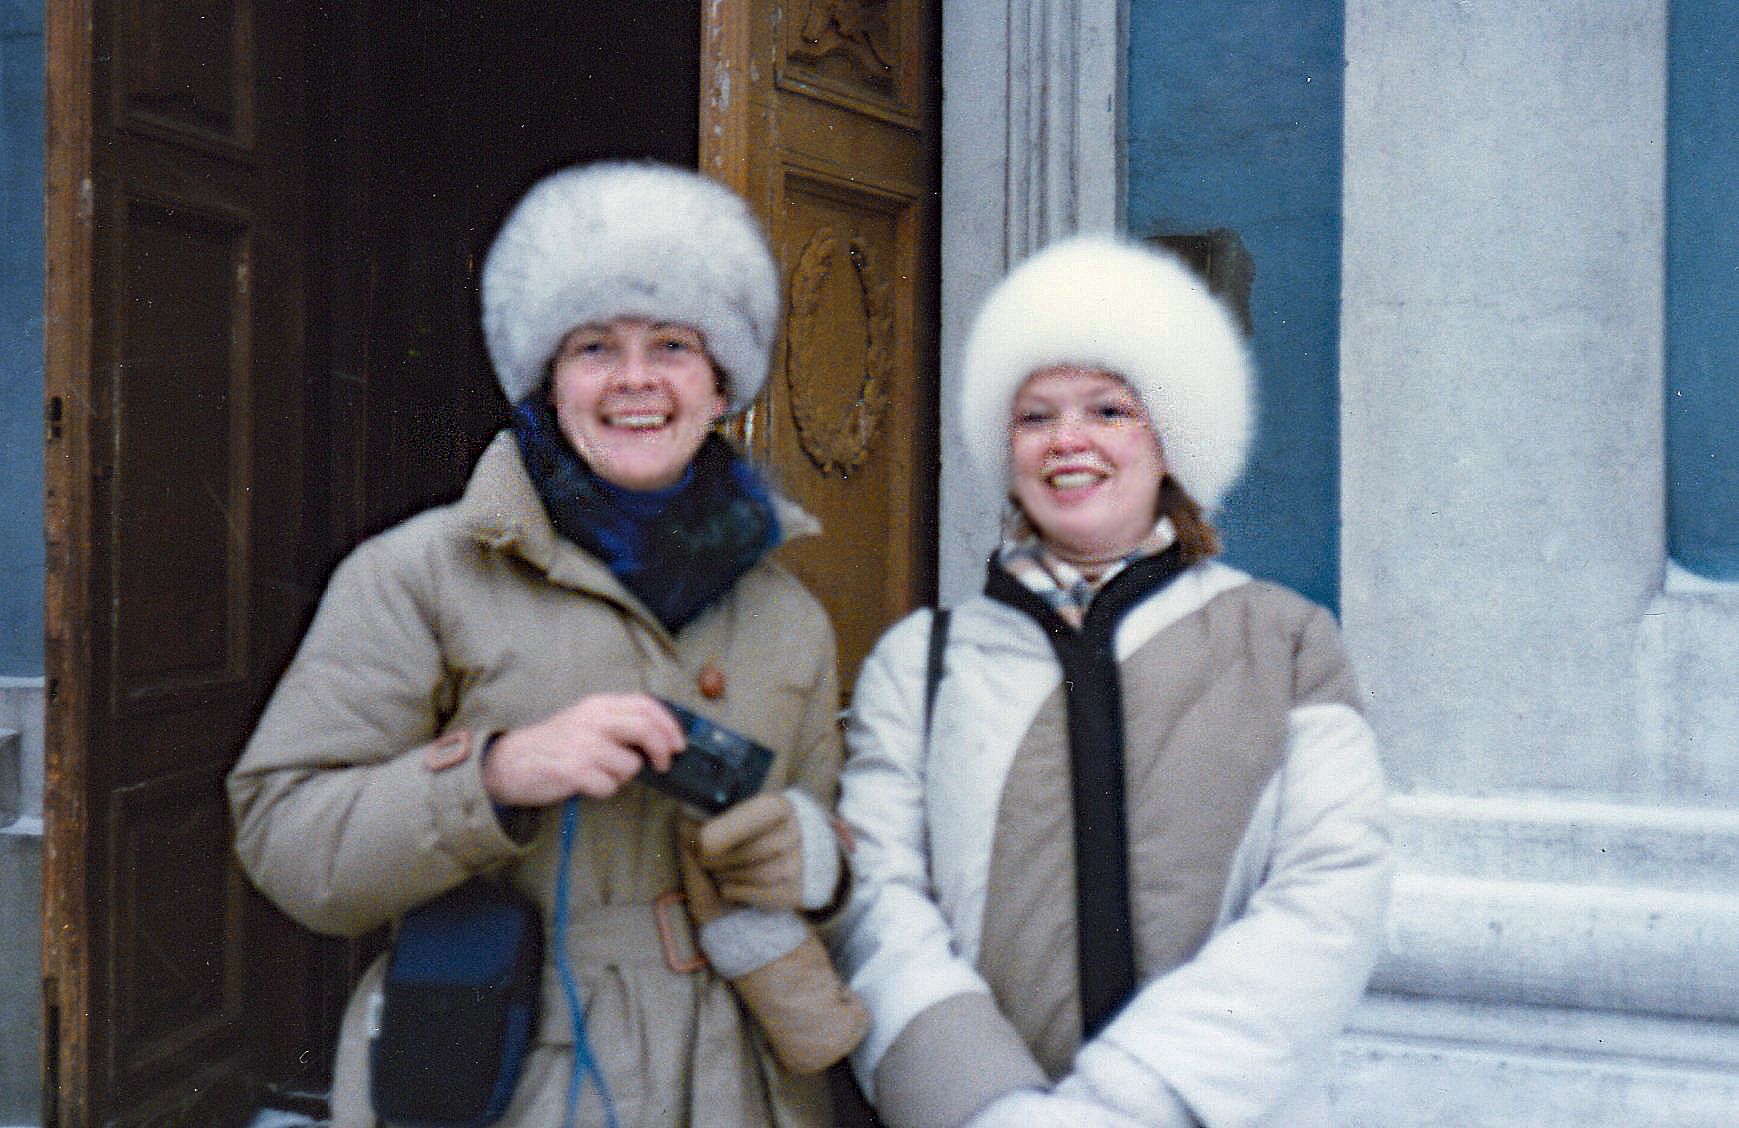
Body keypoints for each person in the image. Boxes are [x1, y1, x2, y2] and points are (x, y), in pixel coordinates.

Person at [229, 160, 867, 1128]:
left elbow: (842, 854)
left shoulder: (787, 613)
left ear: (720, 382)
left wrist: (813, 860)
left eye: (672, 345)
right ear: (548, 380)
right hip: (513, 1073)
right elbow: (285, 838)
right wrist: (493, 776)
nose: (635, 379)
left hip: (740, 1085)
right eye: (593, 347)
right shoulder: (419, 574)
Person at [831, 235, 1393, 1127]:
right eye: (1034, 416)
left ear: (1168, 438)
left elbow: (1330, 891)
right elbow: (875, 904)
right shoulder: (921, 662)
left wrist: (1136, 1099)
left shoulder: (1285, 642)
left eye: (1107, 410)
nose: (1068, 441)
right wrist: (992, 1108)